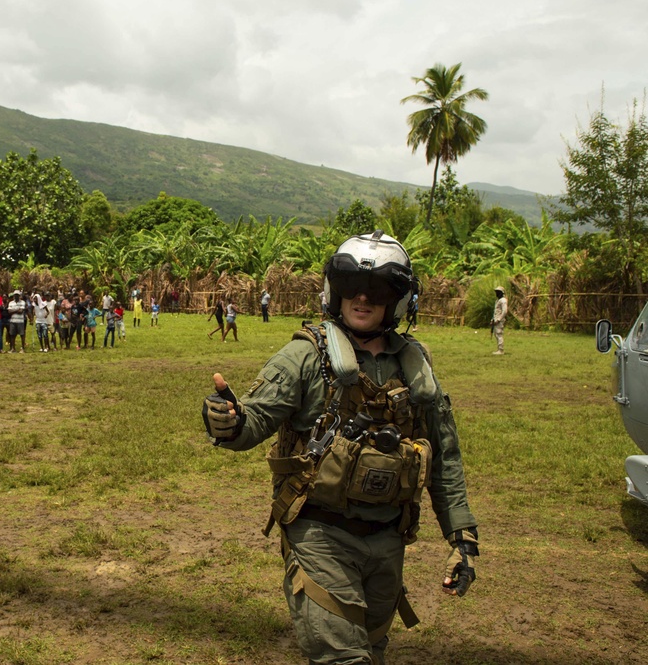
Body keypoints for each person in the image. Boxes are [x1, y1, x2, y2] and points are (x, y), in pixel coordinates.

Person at [202, 230, 478, 665]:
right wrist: (229, 421)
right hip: (320, 535)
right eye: (351, 286)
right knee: (344, 659)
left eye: (379, 289)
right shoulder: (307, 356)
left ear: (399, 299)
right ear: (335, 290)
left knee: (373, 651)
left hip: (388, 540)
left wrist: (460, 535)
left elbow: (444, 455)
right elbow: (255, 419)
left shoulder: (415, 368)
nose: (362, 297)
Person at [491, 286, 508, 355]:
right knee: (496, 334)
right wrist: (493, 319)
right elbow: (496, 311)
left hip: (499, 320)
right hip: (496, 319)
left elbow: (504, 311)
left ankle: (501, 350)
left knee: (499, 334)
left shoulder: (503, 300)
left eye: (498, 292)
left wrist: (499, 319)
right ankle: (499, 349)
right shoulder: (497, 300)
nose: (496, 293)